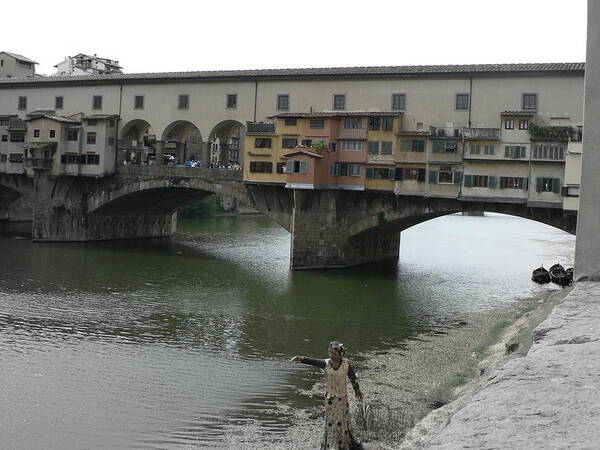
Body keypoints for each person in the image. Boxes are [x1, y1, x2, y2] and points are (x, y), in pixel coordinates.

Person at [290, 341, 364, 450]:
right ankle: (331, 445)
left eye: (334, 354)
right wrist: (301, 359)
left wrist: (357, 390)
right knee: (331, 423)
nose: (331, 356)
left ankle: (345, 443)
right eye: (330, 353)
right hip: (330, 399)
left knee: (342, 421)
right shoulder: (326, 363)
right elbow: (314, 361)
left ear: (340, 354)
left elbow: (353, 377)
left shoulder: (346, 364)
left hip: (342, 399)